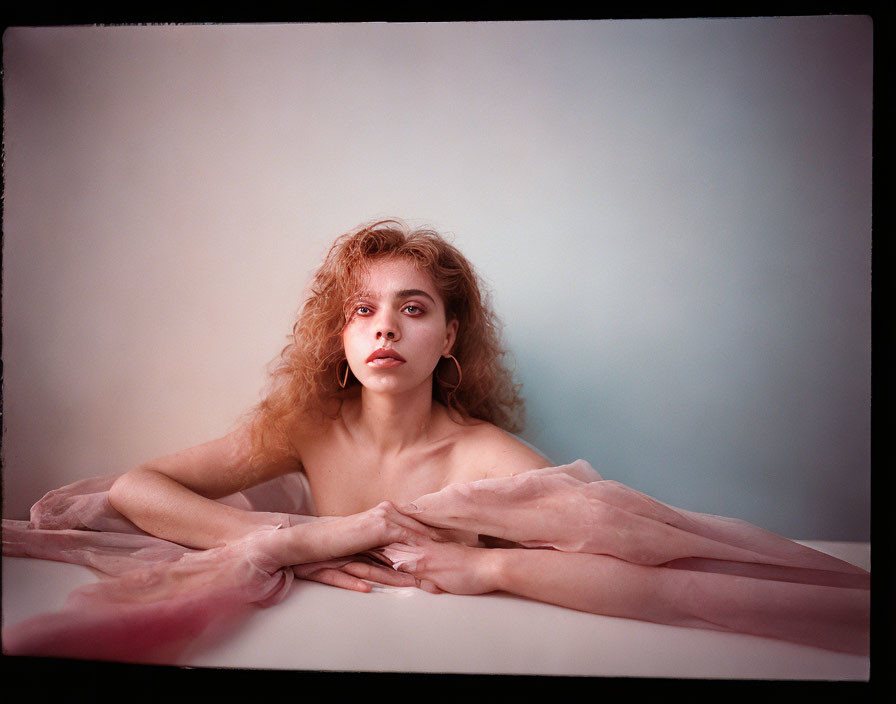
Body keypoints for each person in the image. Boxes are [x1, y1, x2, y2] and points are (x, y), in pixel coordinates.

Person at [108, 218, 553, 593]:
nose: (386, 329)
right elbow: (134, 488)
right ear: (339, 335)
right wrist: (295, 545)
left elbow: (618, 570)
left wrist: (484, 569)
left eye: (413, 309)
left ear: (449, 337)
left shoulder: (488, 458)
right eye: (363, 310)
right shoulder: (310, 429)